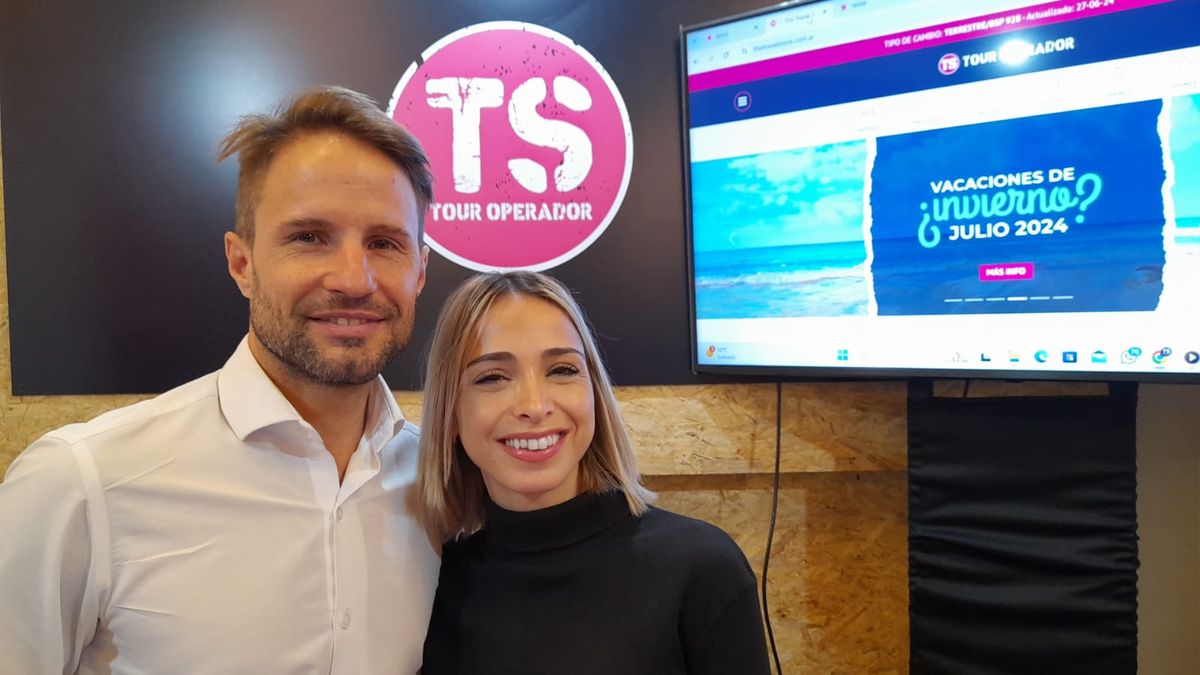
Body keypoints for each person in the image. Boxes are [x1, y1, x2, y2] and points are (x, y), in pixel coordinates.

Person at [0, 86, 439, 674]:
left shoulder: (443, 488)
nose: (353, 279)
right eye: (309, 237)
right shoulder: (79, 484)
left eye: (384, 243)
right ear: (242, 263)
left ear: (420, 272)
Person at [415, 271, 772, 675]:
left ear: (594, 393)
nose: (534, 406)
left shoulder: (702, 570)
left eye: (562, 370)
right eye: (492, 377)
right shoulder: (433, 583)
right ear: (450, 412)